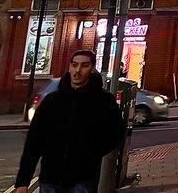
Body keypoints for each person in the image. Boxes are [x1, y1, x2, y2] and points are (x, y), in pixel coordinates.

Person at [15, 50, 123, 193]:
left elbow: (116, 133)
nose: (78, 70)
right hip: (50, 178)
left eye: (84, 65)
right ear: (69, 67)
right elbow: (34, 141)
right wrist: (23, 181)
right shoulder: (52, 101)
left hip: (83, 180)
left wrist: (92, 153)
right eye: (74, 65)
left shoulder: (103, 101)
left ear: (92, 69)